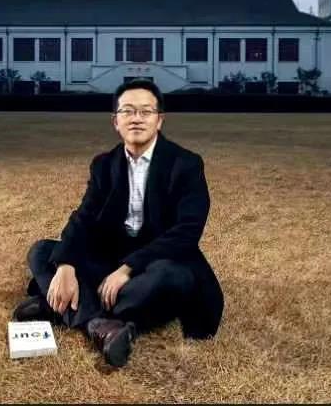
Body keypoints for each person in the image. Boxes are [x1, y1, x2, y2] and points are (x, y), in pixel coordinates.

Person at [11, 79, 224, 367]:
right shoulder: (104, 164)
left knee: (172, 278)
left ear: (159, 120)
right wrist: (66, 266)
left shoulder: (185, 164)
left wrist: (127, 269)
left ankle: (60, 307)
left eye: (146, 111)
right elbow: (84, 217)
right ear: (115, 121)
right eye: (127, 111)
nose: (136, 118)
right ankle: (100, 325)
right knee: (42, 251)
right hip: (109, 259)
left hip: (159, 262)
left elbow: (186, 232)